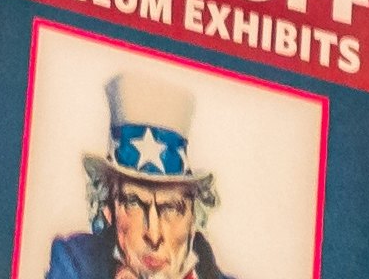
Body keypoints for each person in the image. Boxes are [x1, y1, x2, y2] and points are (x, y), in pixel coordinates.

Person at [42, 67, 244, 279]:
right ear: (108, 209)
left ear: (193, 217)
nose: (154, 236)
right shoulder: (73, 264)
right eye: (134, 204)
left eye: (172, 208)